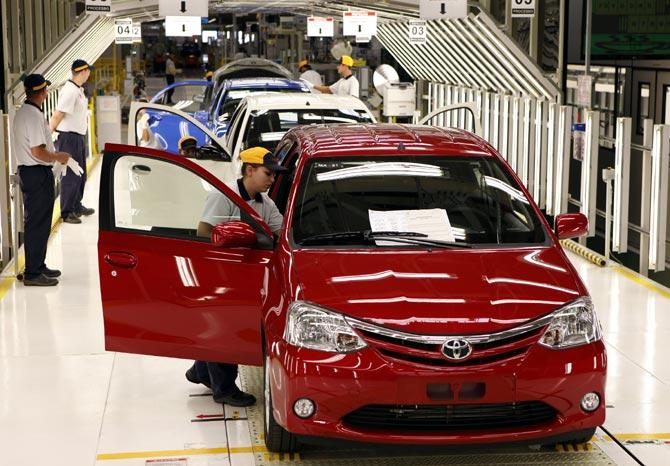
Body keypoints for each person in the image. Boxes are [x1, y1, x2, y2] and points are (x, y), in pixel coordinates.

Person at [186, 146, 286, 406]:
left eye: (274, 175)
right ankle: (224, 389)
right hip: (219, 273)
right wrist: (233, 241)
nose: (272, 179)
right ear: (249, 170)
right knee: (225, 329)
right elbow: (203, 232)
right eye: (268, 173)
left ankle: (200, 371)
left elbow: (281, 230)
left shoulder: (266, 203)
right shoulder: (225, 196)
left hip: (244, 274)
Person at [12, 74, 75, 286]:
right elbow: (38, 151)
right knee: (37, 223)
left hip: (34, 172)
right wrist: (59, 156)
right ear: (43, 92)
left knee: (40, 222)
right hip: (36, 172)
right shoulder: (31, 115)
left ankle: (38, 265)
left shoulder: (28, 112)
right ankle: (32, 273)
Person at [49, 59, 95, 225]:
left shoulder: (78, 90)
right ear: (83, 72)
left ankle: (76, 206)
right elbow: (58, 114)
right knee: (70, 176)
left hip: (77, 138)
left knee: (80, 174)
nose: (89, 73)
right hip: (68, 138)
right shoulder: (70, 91)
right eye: (88, 71)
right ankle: (67, 212)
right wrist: (48, 135)